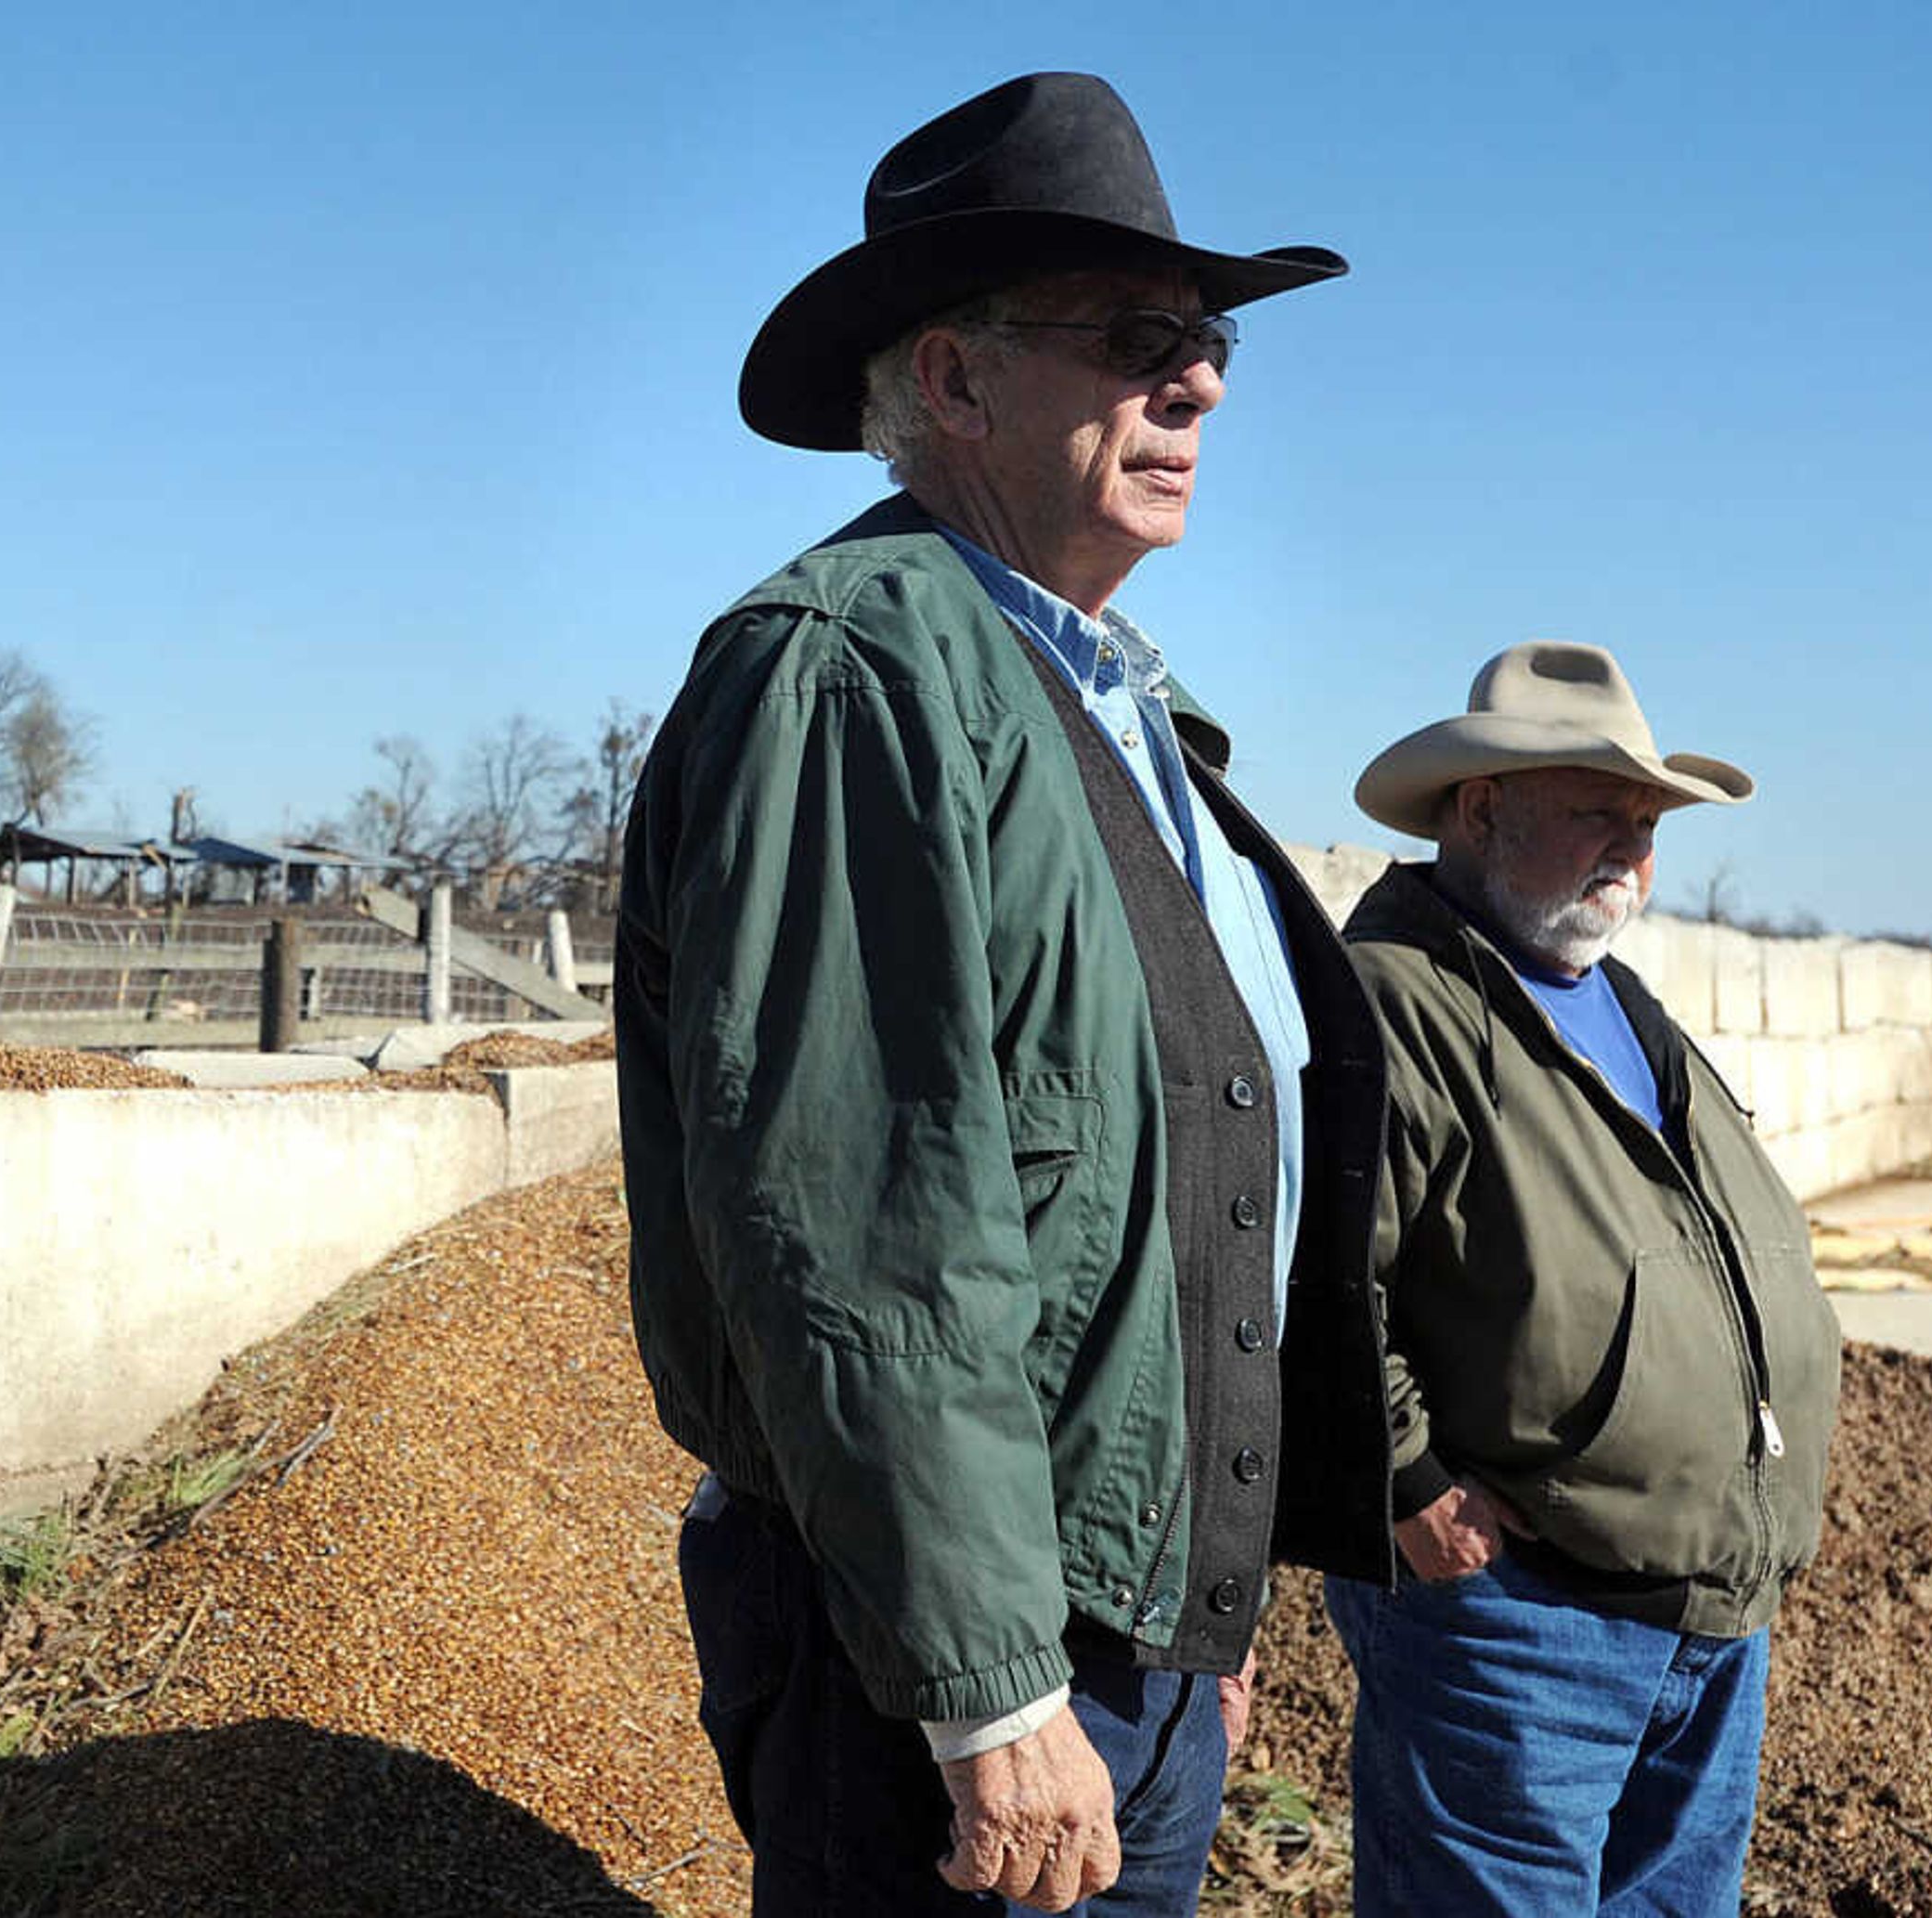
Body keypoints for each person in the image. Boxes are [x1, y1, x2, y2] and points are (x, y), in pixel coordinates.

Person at [614, 72, 1395, 1915]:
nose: (1197, 383)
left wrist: (1199, 1589)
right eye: (1137, 340)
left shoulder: (1116, 708)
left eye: (1203, 341)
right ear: (956, 381)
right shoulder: (864, 672)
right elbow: (871, 1221)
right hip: (947, 1664)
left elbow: (1169, 1186)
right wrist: (994, 1689)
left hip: (1123, 1643)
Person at [1329, 641, 1842, 1914]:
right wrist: (1407, 1477)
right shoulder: (1400, 997)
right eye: (1598, 809)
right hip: (1520, 1627)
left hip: (1703, 1626)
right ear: (1483, 805)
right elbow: (1318, 1265)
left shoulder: (1612, 996)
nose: (1633, 847)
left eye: (1648, 818)